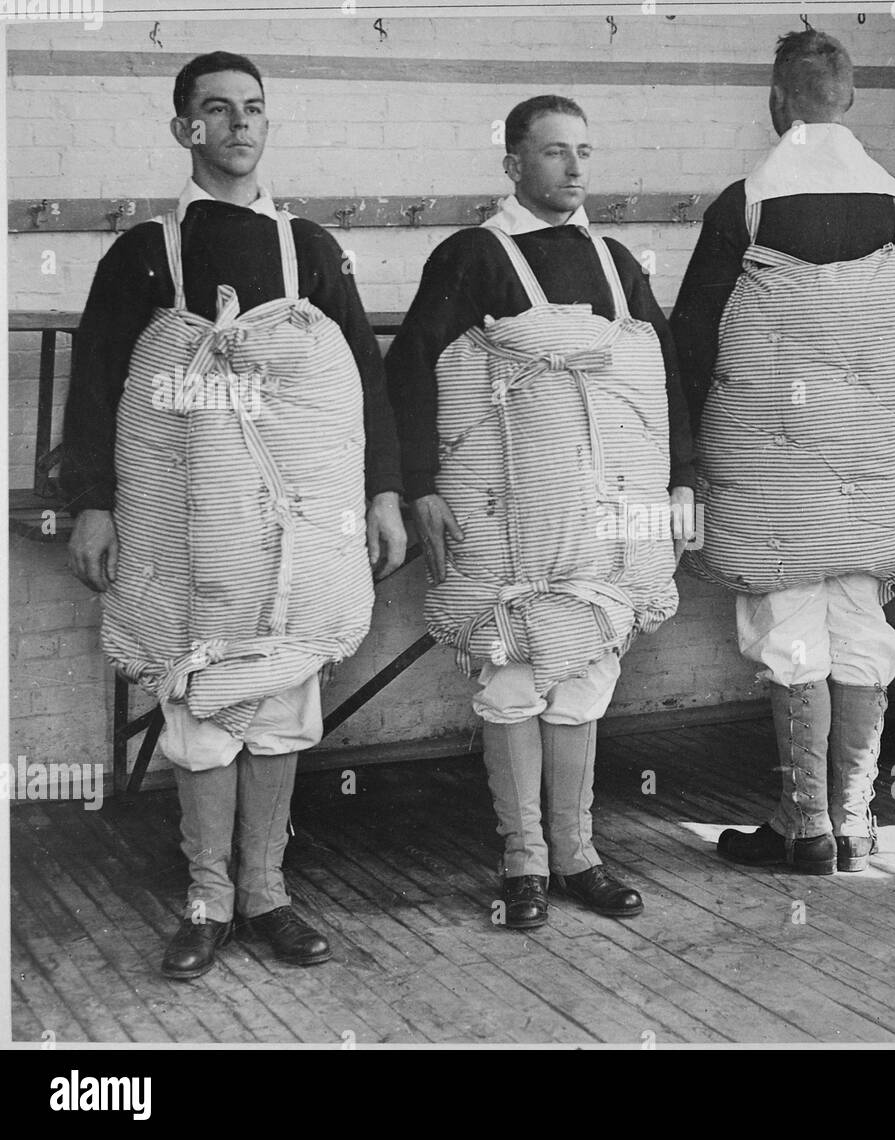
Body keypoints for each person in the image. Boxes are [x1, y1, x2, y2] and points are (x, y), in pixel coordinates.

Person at [62, 52, 407, 979]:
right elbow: (98, 382)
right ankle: (206, 897)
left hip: (297, 525)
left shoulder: (312, 248)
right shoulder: (145, 252)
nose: (240, 125)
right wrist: (91, 504)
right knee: (200, 701)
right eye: (218, 111)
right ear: (186, 129)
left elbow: (360, 383)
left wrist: (381, 491)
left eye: (254, 109)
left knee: (284, 698)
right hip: (187, 524)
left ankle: (267, 892)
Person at [385, 95, 695, 928]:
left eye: (584, 151)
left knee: (586, 679)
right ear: (514, 161)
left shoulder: (615, 258)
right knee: (515, 673)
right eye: (555, 152)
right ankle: (522, 861)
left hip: (603, 518)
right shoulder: (473, 255)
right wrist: (420, 484)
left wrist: (681, 480)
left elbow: (657, 372)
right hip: (507, 518)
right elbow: (414, 365)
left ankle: (578, 855)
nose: (575, 167)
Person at [671, 30, 895, 874]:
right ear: (850, 97)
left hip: (774, 474)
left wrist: (688, 455)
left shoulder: (747, 203)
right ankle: (858, 820)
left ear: (774, 101)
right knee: (863, 629)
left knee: (789, 631)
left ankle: (806, 829)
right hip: (877, 468)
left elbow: (693, 338)